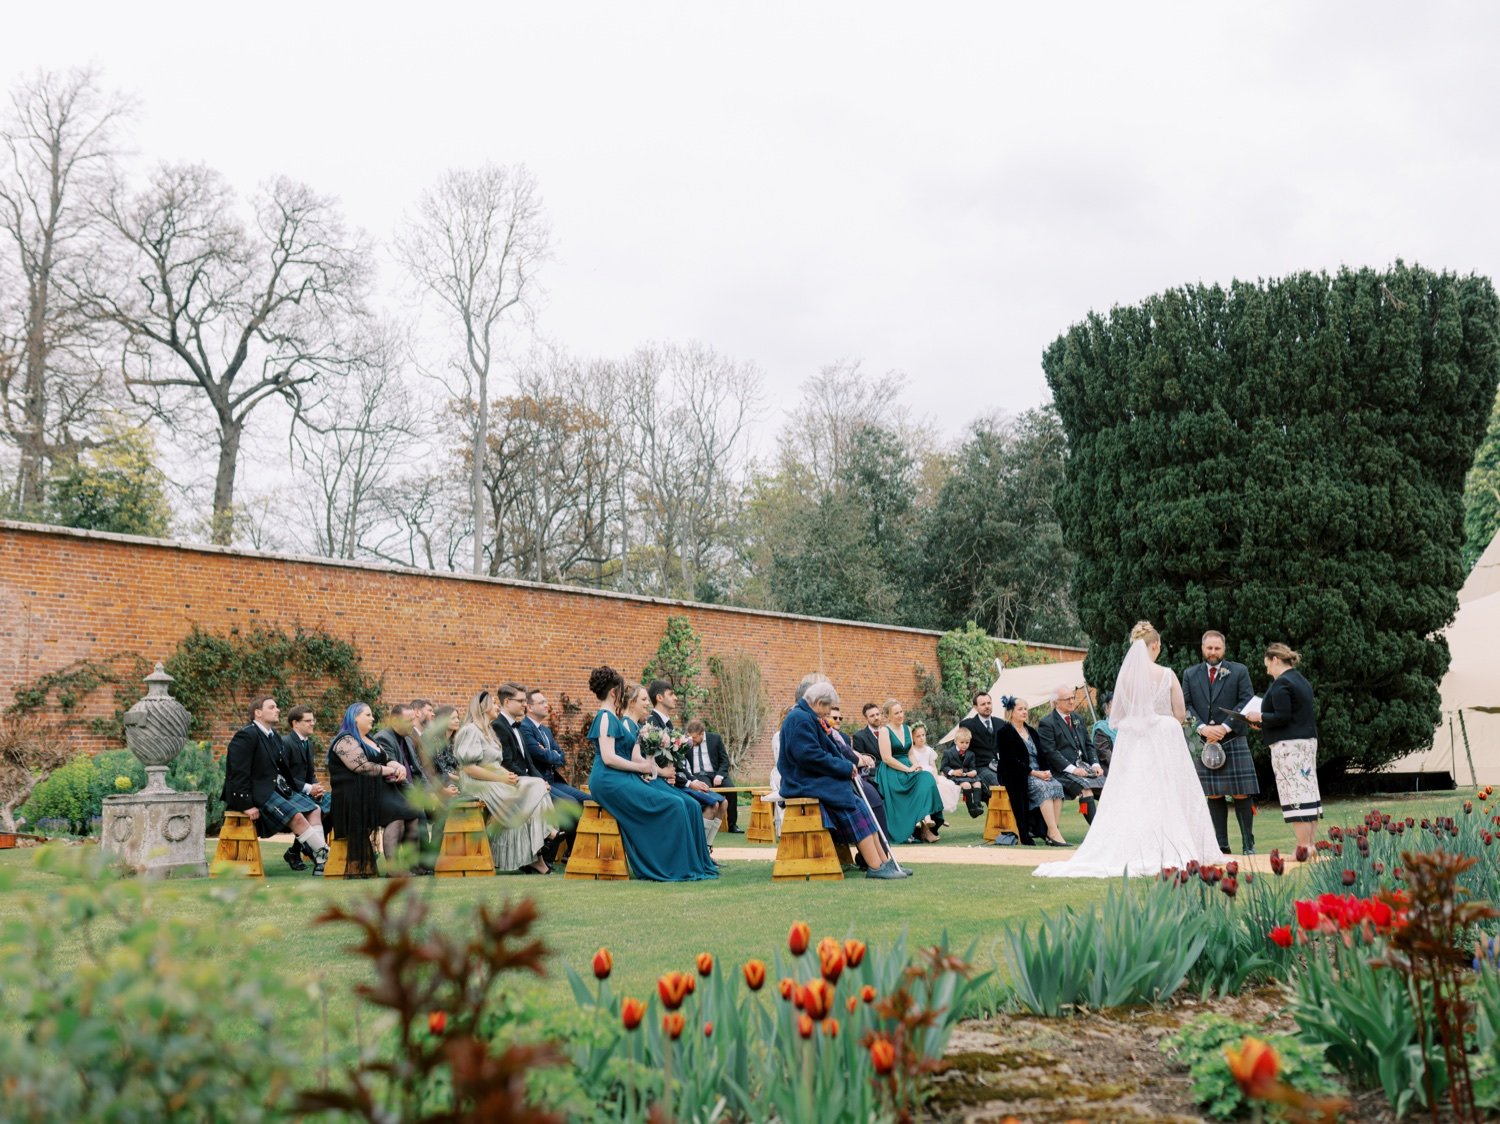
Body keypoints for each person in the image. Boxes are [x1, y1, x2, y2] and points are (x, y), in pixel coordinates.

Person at [1034, 621, 1225, 879]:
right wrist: (1161, 720)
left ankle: (1132, 846)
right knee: (1167, 793)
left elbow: (1118, 716)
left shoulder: (1126, 679)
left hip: (1135, 744)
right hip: (1162, 743)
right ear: (1155, 645)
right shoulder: (1167, 674)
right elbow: (1179, 713)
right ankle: (1173, 846)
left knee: (1133, 794)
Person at [586, 666, 718, 882]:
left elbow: (634, 756)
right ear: (613, 693)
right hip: (608, 780)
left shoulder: (612, 718)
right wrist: (643, 769)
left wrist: (651, 769)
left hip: (620, 777)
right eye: (621, 690)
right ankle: (669, 864)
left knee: (675, 803)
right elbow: (609, 758)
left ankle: (681, 862)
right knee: (673, 804)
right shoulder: (605, 718)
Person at [776, 679, 909, 880]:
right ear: (819, 703)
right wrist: (844, 767)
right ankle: (875, 865)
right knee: (850, 802)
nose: (828, 713)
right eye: (828, 708)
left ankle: (883, 862)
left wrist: (847, 764)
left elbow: (828, 750)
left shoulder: (807, 717)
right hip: (801, 781)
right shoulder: (800, 718)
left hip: (812, 778)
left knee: (861, 804)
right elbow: (809, 756)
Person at [222, 695, 330, 873]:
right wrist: (246, 804)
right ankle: (326, 855)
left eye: (276, 707)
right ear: (258, 713)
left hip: (275, 789)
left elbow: (283, 772)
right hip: (257, 793)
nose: (277, 710)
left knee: (315, 809)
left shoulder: (274, 736)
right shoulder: (246, 735)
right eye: (272, 707)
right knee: (296, 816)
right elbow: (237, 772)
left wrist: (306, 790)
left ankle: (321, 860)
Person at [453, 691, 554, 875]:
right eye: (494, 703)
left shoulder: (489, 731)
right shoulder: (470, 730)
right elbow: (469, 768)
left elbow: (495, 764)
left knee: (537, 784)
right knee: (531, 791)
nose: (497, 706)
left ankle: (539, 847)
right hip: (478, 783)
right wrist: (501, 778)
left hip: (494, 778)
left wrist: (509, 776)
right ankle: (548, 833)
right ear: (483, 708)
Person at [1182, 630, 1260, 854]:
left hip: (1233, 737)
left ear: (1224, 649)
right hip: (1204, 740)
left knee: (1241, 792)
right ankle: (1221, 845)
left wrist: (1224, 727)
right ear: (1202, 648)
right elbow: (1186, 705)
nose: (1213, 652)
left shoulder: (1239, 671)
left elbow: (1246, 701)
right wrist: (1203, 728)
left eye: (1217, 648)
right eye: (1209, 648)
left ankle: (1248, 845)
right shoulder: (1190, 673)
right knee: (1213, 792)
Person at [326, 701, 421, 876]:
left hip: (376, 791)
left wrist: (398, 766)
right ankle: (393, 868)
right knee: (397, 815)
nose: (373, 718)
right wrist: (391, 770)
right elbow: (363, 767)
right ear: (355, 718)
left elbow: (384, 760)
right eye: (368, 715)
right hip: (354, 796)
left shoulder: (369, 739)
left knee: (412, 813)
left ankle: (410, 864)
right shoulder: (345, 740)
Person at [1250, 642, 1320, 849]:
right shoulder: (1301, 681)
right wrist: (1264, 722)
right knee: (1307, 791)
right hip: (1306, 743)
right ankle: (1311, 845)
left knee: (1294, 794)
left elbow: (1282, 715)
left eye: (1267, 665)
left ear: (1274, 659)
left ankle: (1303, 847)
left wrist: (1260, 716)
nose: (1267, 670)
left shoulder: (1281, 683)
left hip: (1289, 748)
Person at [961, 692, 1032, 845]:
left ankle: (1027, 825)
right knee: (1003, 785)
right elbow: (962, 748)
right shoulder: (967, 725)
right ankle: (1010, 826)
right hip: (981, 767)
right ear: (975, 707)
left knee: (1024, 782)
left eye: (989, 703)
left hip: (1002, 765)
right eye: (983, 704)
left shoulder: (1001, 723)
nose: (987, 706)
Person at [999, 698, 1069, 846]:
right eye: (1020, 709)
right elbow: (1010, 760)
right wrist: (1035, 773)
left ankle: (1053, 831)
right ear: (1011, 712)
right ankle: (1053, 833)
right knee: (1043, 787)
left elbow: (1042, 755)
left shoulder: (1031, 731)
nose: (1025, 712)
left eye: (1026, 709)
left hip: (1039, 771)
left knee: (1056, 786)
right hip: (1018, 774)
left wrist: (1046, 772)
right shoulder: (1004, 732)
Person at [873, 699, 943, 843]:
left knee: (927, 778)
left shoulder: (907, 729)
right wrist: (907, 769)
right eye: (896, 713)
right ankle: (922, 830)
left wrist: (916, 766)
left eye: (901, 711)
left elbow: (910, 753)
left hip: (909, 768)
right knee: (907, 790)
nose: (900, 715)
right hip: (891, 772)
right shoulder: (884, 731)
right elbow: (886, 758)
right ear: (888, 716)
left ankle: (925, 825)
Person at [1035, 685, 1104, 823]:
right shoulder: (1047, 723)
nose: (1072, 701)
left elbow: (1089, 745)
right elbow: (1050, 752)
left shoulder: (1078, 718)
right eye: (1067, 699)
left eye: (1072, 697)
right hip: (1061, 771)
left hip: (1083, 767)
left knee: (1108, 789)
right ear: (1056, 703)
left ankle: (1110, 828)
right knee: (1086, 790)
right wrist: (1074, 770)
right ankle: (1094, 830)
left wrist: (1095, 764)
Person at [279, 705, 331, 871]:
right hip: (287, 794)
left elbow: (310, 773)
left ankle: (296, 851)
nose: (312, 723)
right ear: (295, 723)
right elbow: (282, 776)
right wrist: (309, 788)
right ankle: (318, 856)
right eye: (307, 721)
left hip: (305, 792)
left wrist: (317, 787)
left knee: (333, 804)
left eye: (312, 720)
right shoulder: (285, 743)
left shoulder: (308, 744)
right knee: (314, 810)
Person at [682, 719, 732, 840]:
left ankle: (732, 824)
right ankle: (708, 822)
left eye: (694, 738)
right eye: (690, 737)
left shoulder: (715, 738)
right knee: (707, 789)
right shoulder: (686, 743)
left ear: (701, 733)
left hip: (715, 773)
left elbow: (725, 760)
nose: (692, 741)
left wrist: (720, 775)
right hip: (698, 775)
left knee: (730, 788)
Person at [909, 722, 960, 816]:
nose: (921, 738)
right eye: (918, 736)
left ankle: (938, 814)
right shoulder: (912, 751)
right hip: (920, 775)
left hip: (931, 775)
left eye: (923, 735)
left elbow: (933, 766)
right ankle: (927, 815)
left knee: (942, 788)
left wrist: (936, 776)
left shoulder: (928, 750)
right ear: (913, 738)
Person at [940, 725, 987, 818]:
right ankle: (971, 808)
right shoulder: (948, 753)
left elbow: (973, 767)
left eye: (967, 743)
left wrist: (973, 772)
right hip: (955, 776)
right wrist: (953, 772)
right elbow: (944, 767)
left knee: (977, 783)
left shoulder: (971, 754)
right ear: (955, 741)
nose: (964, 745)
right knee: (966, 785)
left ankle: (977, 805)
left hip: (967, 776)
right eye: (962, 742)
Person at [1090, 692, 1117, 772]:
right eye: (1112, 706)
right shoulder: (1101, 728)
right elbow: (1106, 754)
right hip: (1112, 769)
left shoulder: (1129, 726)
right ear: (1106, 709)